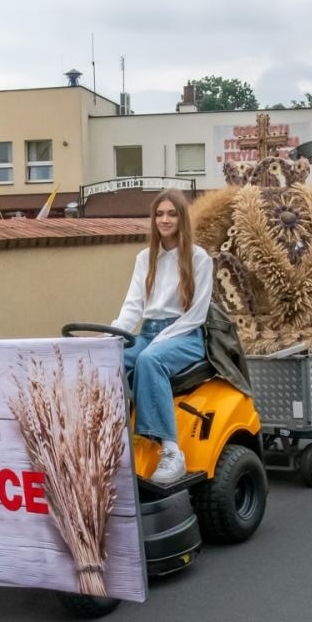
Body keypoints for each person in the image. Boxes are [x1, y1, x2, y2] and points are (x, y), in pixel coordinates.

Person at [112, 191, 213, 485]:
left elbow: (196, 315)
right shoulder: (145, 258)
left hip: (185, 335)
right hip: (148, 332)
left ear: (182, 218)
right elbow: (133, 306)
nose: (165, 219)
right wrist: (112, 337)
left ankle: (171, 451)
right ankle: (112, 439)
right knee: (109, 359)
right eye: (159, 214)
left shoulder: (199, 258)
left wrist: (160, 341)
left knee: (149, 360)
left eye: (172, 213)